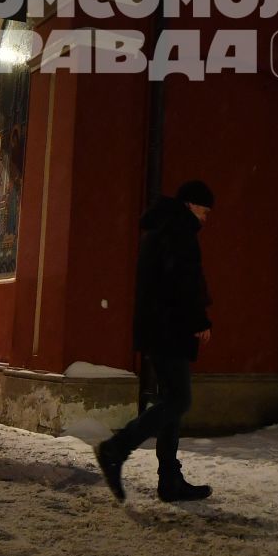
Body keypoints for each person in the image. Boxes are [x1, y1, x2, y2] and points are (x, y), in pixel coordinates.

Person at [96, 180, 216, 503]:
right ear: (191, 205)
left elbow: (172, 281)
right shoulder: (179, 232)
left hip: (158, 328)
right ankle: (115, 449)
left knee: (171, 403)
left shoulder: (163, 228)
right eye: (204, 211)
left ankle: (170, 481)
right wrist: (199, 320)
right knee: (178, 401)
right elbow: (183, 282)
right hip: (169, 329)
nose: (206, 218)